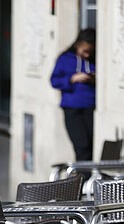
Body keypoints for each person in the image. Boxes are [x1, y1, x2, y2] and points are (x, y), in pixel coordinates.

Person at [50, 28, 96, 161]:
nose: (87, 55)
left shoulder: (94, 61)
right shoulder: (65, 59)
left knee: (90, 146)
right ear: (78, 44)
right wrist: (72, 79)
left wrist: (93, 79)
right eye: (85, 51)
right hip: (72, 109)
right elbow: (54, 81)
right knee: (81, 145)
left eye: (90, 52)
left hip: (90, 107)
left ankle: (84, 178)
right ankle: (81, 179)